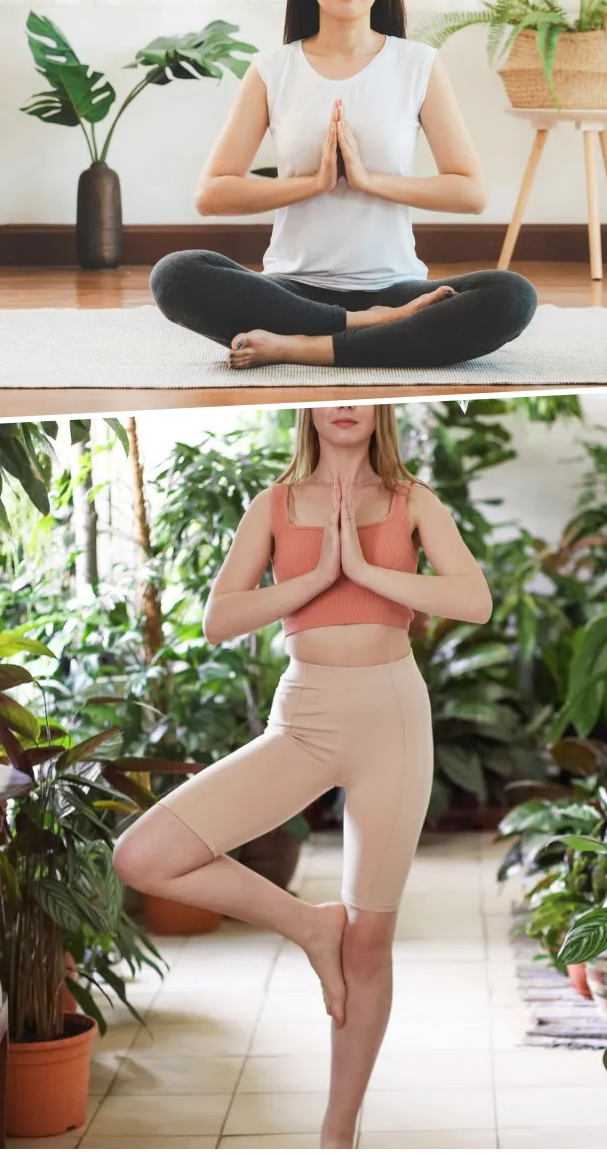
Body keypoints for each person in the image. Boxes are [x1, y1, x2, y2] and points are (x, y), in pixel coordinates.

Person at [113, 404, 492, 1149]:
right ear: (309, 405)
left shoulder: (413, 499)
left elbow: (472, 600)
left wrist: (368, 570)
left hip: (393, 717)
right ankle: (307, 924)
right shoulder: (275, 503)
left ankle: (337, 1134)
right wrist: (320, 575)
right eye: (329, 390)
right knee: (143, 856)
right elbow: (220, 619)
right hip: (305, 717)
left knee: (371, 943)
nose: (344, 404)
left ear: (379, 404)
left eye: (358, 391)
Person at [149, 0, 538, 370]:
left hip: (394, 287)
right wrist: (313, 183)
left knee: (512, 296)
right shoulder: (272, 70)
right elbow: (212, 195)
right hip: (292, 289)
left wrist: (368, 180)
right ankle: (366, 329)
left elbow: (470, 192)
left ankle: (303, 347)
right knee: (175, 275)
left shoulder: (418, 65)